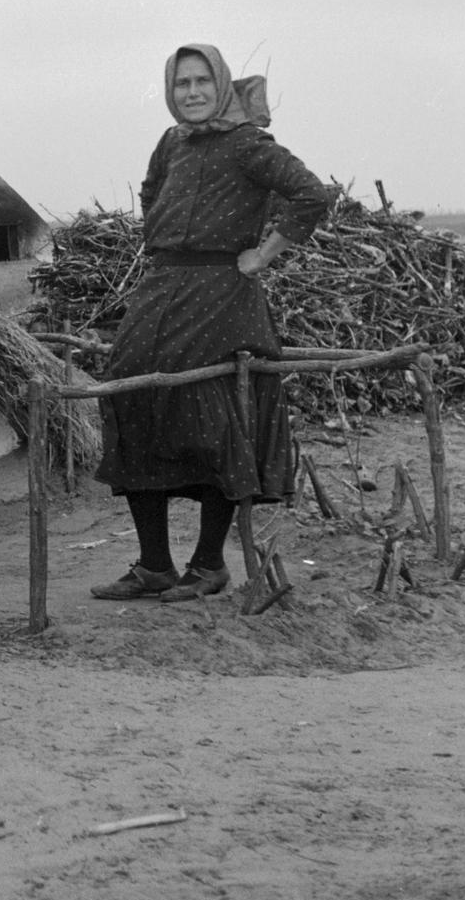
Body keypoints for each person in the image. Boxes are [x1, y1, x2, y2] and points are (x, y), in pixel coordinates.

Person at [90, 44, 329, 602]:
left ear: (220, 85)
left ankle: (208, 564)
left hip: (223, 294)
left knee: (213, 415)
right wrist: (165, 236)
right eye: (181, 84)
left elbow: (310, 194)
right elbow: (151, 192)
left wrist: (261, 254)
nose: (191, 93)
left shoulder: (248, 143)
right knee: (131, 396)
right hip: (161, 289)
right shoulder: (172, 142)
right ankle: (153, 565)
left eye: (201, 82)